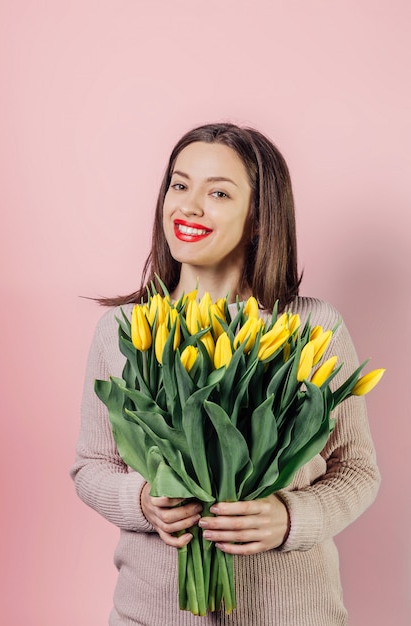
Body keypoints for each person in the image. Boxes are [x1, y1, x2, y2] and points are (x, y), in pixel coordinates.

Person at [70, 122, 380, 626]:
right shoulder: (125, 330)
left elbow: (358, 468)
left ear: (259, 219)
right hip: (151, 615)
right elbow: (92, 467)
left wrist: (290, 519)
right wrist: (143, 501)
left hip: (294, 614)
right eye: (179, 184)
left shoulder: (312, 328)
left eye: (217, 193)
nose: (188, 206)